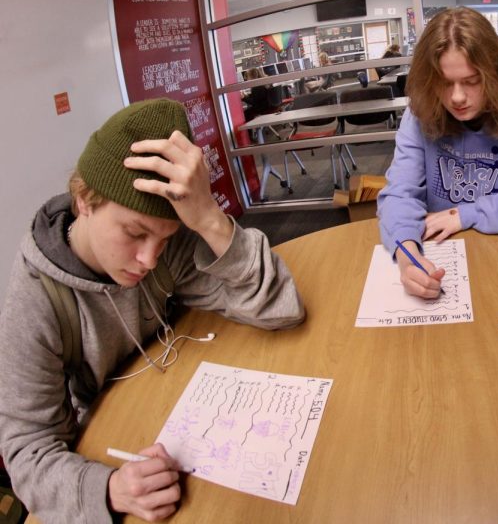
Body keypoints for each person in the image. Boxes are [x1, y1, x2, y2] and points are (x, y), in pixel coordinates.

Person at [0, 98, 305, 523]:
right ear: (84, 198)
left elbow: (281, 309)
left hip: (173, 403)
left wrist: (210, 220)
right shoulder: (37, 299)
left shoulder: (167, 250)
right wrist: (108, 489)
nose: (148, 259)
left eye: (164, 239)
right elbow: (26, 451)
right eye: (134, 232)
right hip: (114, 448)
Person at [377, 7, 498, 299]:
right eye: (445, 83)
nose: (457, 97)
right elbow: (399, 195)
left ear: (493, 75)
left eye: (471, 81)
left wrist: (469, 213)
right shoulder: (418, 114)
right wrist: (407, 255)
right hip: (441, 253)